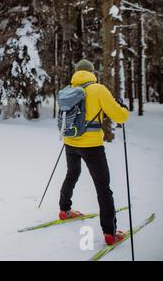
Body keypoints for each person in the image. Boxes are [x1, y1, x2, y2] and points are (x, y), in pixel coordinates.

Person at [58, 59, 129, 246]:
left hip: (70, 142)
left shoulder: (67, 90)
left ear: (76, 72)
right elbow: (119, 116)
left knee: (72, 174)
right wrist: (124, 109)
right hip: (92, 146)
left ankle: (64, 210)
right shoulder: (98, 89)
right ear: (91, 72)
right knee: (103, 187)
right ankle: (109, 233)